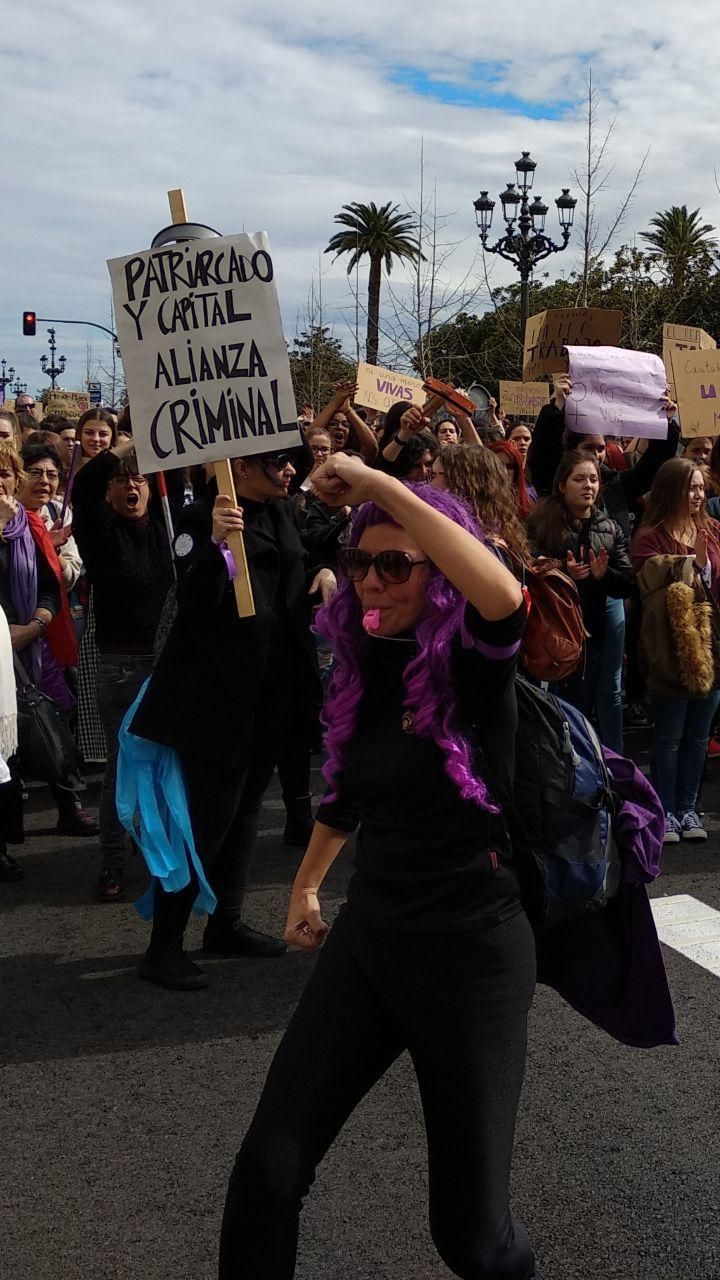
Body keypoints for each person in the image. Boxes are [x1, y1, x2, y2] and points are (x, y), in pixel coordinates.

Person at [218, 451, 538, 1280]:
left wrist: (384, 487)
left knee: (471, 1238)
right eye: (361, 562)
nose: (371, 580)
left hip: (471, 955)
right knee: (267, 1173)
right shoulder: (367, 663)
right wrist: (306, 882)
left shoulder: (475, 664)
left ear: (439, 575)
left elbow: (504, 597)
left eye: (395, 565)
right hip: (373, 943)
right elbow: (349, 794)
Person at [128, 447, 334, 989]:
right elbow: (196, 605)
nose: (291, 470)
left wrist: (324, 571)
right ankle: (164, 945)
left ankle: (227, 923)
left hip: (272, 691)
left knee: (245, 810)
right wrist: (216, 544)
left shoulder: (280, 512)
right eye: (278, 463)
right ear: (238, 467)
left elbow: (300, 563)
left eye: (293, 461)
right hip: (217, 698)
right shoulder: (198, 519)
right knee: (206, 819)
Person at [72, 439, 175, 901]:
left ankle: (165, 856)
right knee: (122, 769)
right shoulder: (99, 533)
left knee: (170, 767)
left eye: (139, 479)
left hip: (169, 665)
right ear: (109, 492)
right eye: (121, 480)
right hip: (121, 668)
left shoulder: (169, 530)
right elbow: (84, 484)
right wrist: (133, 441)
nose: (131, 486)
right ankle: (113, 863)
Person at [0, 441, 96, 837]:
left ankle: (67, 805)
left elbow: (46, 585)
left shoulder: (26, 524)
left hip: (30, 646)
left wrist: (35, 625)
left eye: (4, 473)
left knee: (46, 724)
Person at [632, 458, 720, 843]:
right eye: (690, 487)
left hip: (713, 645)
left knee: (699, 737)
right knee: (669, 736)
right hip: (670, 649)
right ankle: (664, 811)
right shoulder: (649, 536)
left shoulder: (713, 530)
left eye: (701, 487)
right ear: (670, 490)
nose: (698, 494)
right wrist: (692, 562)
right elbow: (647, 578)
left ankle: (689, 808)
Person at [527, 451, 633, 747]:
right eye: (579, 479)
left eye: (594, 479)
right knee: (564, 713)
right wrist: (563, 569)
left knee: (597, 702)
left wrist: (603, 575)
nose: (588, 486)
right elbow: (525, 563)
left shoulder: (608, 527)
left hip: (593, 632)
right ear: (562, 484)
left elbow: (627, 582)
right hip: (554, 632)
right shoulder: (540, 522)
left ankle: (608, 772)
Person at [432, 443, 530, 564]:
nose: (428, 484)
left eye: (433, 475)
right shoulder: (489, 523)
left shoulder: (486, 546)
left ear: (460, 480)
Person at [488, 440, 536, 518]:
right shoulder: (477, 500)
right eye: (498, 465)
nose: (504, 471)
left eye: (510, 467)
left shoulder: (527, 502)